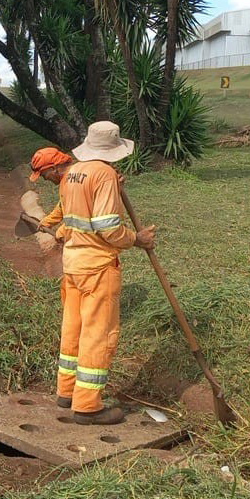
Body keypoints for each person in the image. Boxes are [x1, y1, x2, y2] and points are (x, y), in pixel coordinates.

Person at [29, 121, 155, 425]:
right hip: (98, 267)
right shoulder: (105, 174)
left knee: (73, 327)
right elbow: (108, 227)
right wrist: (137, 239)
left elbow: (80, 213)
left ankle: (67, 392)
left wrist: (114, 186)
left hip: (72, 266)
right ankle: (87, 406)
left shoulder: (72, 174)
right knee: (98, 334)